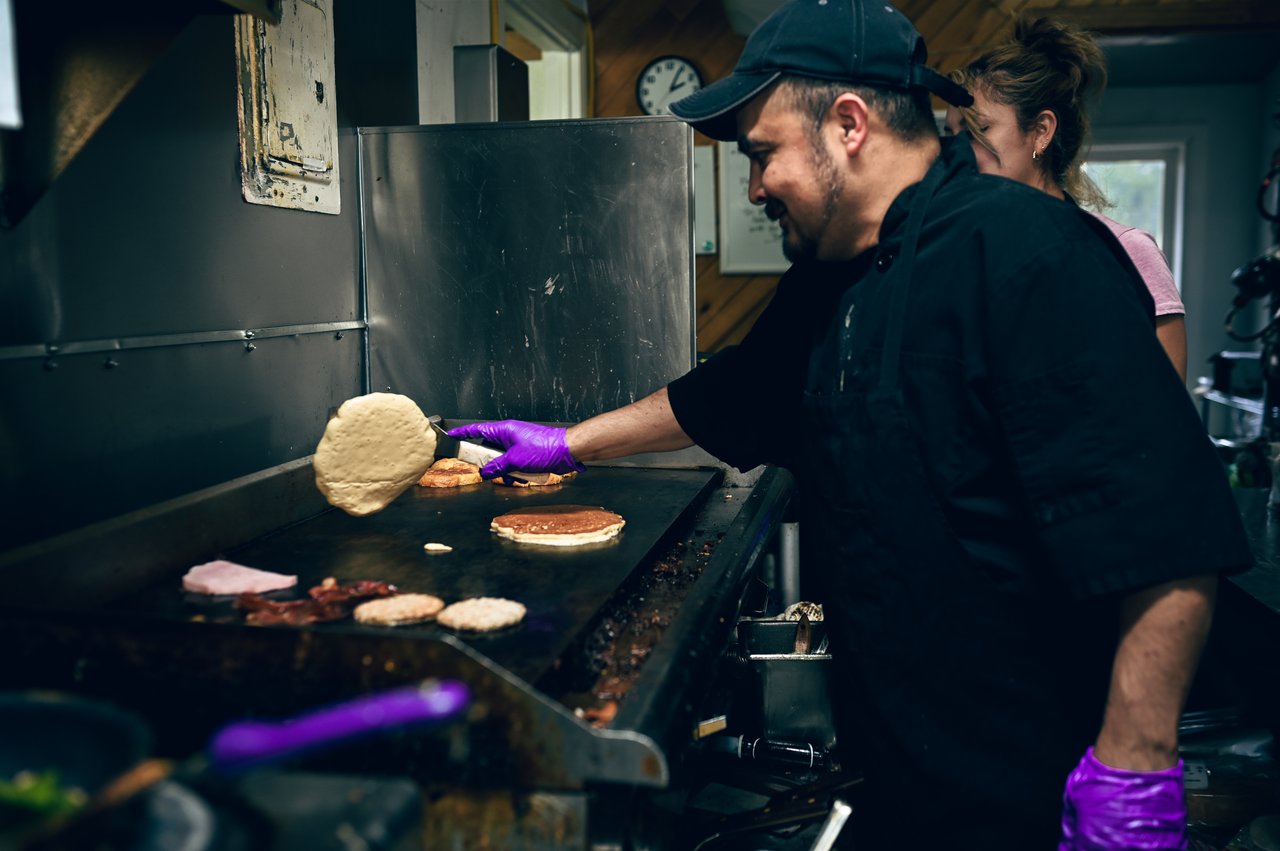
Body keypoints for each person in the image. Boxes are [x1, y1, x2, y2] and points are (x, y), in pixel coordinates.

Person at [449, 0, 1253, 847]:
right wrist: (567, 442)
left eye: (763, 154)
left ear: (848, 123)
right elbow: (731, 395)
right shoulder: (830, 275)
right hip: (896, 773)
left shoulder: (1030, 255)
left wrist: (1133, 764)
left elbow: (1165, 531)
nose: (755, 185)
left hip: (1025, 787)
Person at [944, 17, 1188, 381]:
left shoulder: (1128, 252)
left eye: (979, 129)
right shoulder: (959, 256)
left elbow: (1166, 417)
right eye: (950, 135)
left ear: (1041, 131)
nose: (957, 152)